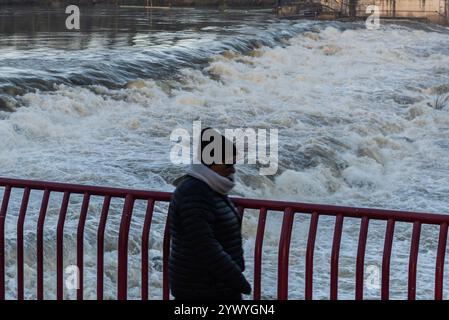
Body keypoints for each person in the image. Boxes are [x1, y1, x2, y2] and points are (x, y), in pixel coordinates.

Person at [168, 127, 251, 301]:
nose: (233, 170)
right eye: (228, 164)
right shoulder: (194, 192)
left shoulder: (211, 187)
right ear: (211, 163)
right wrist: (237, 279)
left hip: (216, 287)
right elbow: (204, 245)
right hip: (200, 290)